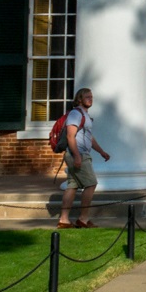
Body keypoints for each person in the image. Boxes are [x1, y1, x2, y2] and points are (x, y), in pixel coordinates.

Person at [56, 86, 109, 230]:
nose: (90, 99)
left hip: (79, 154)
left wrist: (101, 152)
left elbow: (89, 138)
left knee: (72, 186)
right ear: (79, 99)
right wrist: (77, 156)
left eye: (91, 97)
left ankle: (64, 220)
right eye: (87, 97)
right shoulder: (75, 114)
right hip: (77, 154)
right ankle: (83, 219)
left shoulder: (84, 116)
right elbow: (70, 136)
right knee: (91, 184)